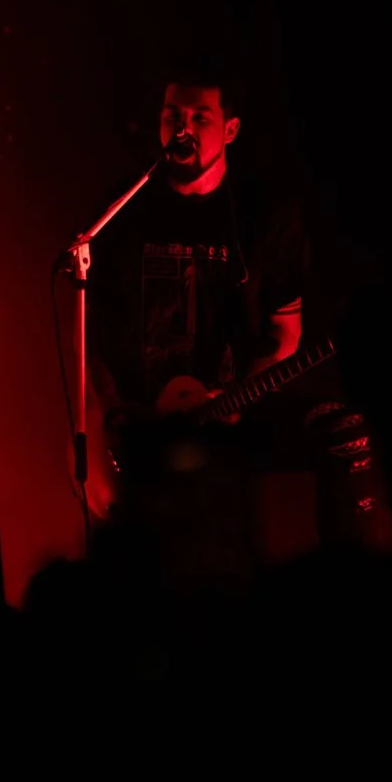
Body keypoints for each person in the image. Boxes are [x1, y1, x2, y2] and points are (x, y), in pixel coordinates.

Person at [84, 74, 308, 528]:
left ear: (230, 130)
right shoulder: (121, 211)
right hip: (138, 435)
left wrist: (238, 400)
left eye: (199, 118)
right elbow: (87, 338)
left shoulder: (264, 217)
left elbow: (285, 335)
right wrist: (101, 429)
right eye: (172, 117)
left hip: (230, 436)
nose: (182, 130)